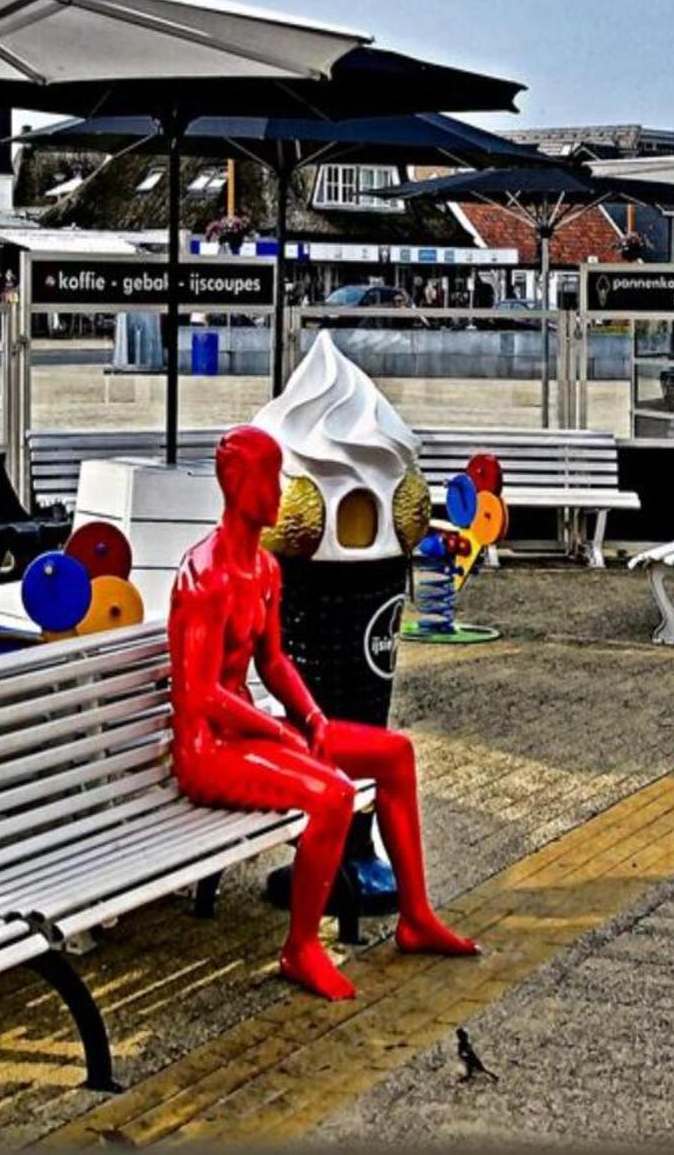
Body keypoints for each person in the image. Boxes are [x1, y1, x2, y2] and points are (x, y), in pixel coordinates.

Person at [166, 425, 477, 1001]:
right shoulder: (204, 573)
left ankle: (416, 916)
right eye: (270, 478)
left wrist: (310, 718)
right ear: (237, 485)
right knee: (333, 793)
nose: (281, 492)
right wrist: (279, 734)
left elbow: (275, 659)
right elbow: (200, 695)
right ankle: (300, 947)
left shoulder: (263, 570)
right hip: (208, 750)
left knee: (394, 755)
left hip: (252, 733)